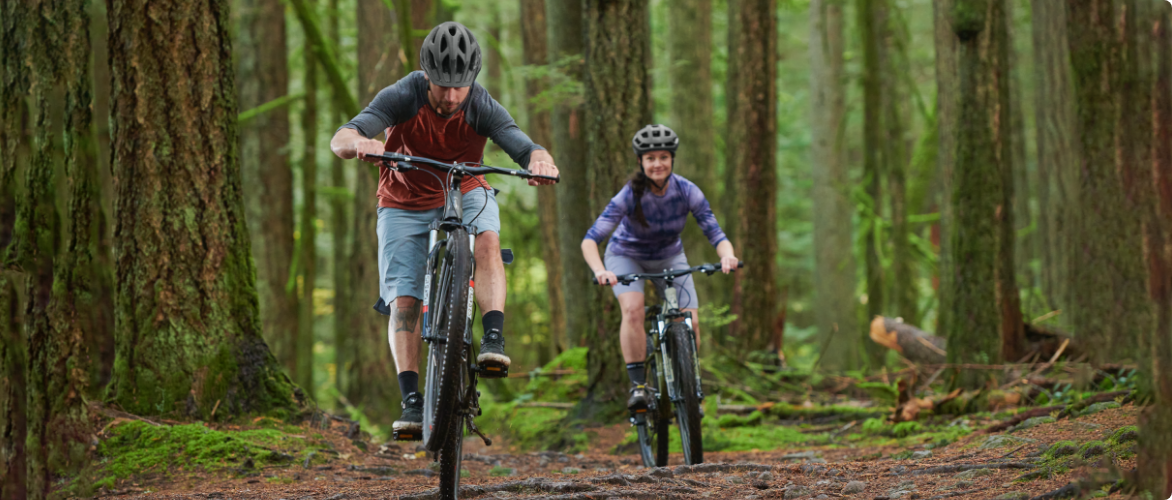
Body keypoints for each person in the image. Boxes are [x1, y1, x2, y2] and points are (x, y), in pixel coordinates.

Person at [330, 21, 559, 436]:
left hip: (466, 187)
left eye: (460, 86)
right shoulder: (403, 94)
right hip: (404, 200)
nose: (451, 96)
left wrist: (540, 162)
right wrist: (360, 143)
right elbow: (343, 135)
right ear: (426, 75)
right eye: (442, 85)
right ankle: (412, 400)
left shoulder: (480, 103)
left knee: (487, 241)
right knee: (403, 298)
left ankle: (492, 339)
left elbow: (523, 144)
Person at [580, 124, 738, 413]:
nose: (657, 164)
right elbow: (591, 240)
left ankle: (691, 386)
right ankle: (639, 386)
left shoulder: (687, 190)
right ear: (641, 162)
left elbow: (716, 233)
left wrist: (727, 256)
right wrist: (600, 270)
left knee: (690, 321)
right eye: (650, 158)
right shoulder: (629, 194)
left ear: (672, 160)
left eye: (663, 157)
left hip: (669, 257)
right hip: (626, 255)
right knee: (633, 310)